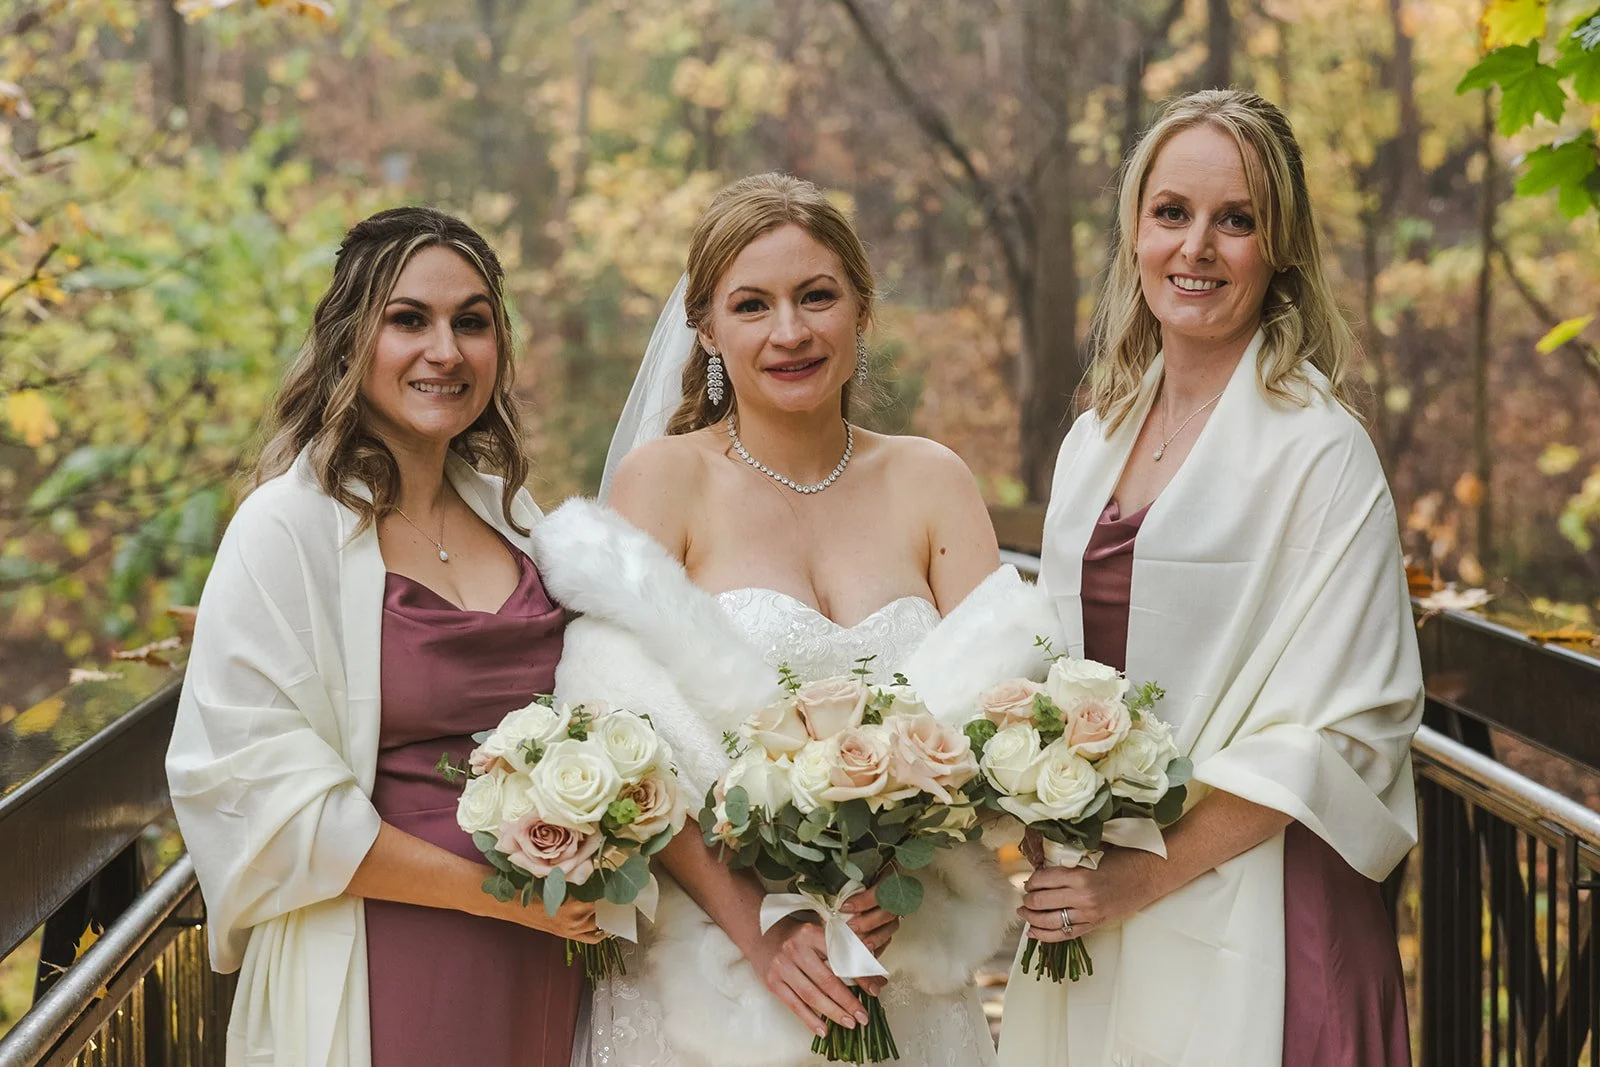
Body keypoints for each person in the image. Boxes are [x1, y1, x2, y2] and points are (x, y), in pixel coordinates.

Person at [530, 172, 1058, 1067]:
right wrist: (760, 931)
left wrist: (904, 877)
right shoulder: (665, 482)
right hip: (718, 976)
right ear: (706, 329)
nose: (790, 332)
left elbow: (1008, 713)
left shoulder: (932, 480)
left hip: (898, 964)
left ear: (860, 309)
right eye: (752, 304)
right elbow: (623, 744)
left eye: (817, 296)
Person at [996, 89, 1423, 1067]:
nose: (1195, 247)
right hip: (1095, 900)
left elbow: (1352, 725)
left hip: (1263, 907)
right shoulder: (1094, 435)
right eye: (1171, 213)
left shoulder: (1320, 450)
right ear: (1134, 232)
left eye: (1235, 220)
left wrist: (1141, 875)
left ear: (1278, 248)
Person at [165, 206, 602, 1067]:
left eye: (471, 323)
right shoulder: (284, 529)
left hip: (548, 947)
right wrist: (498, 896)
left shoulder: (515, 518)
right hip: (386, 953)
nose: (445, 350)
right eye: (410, 320)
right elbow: (260, 789)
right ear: (349, 340)